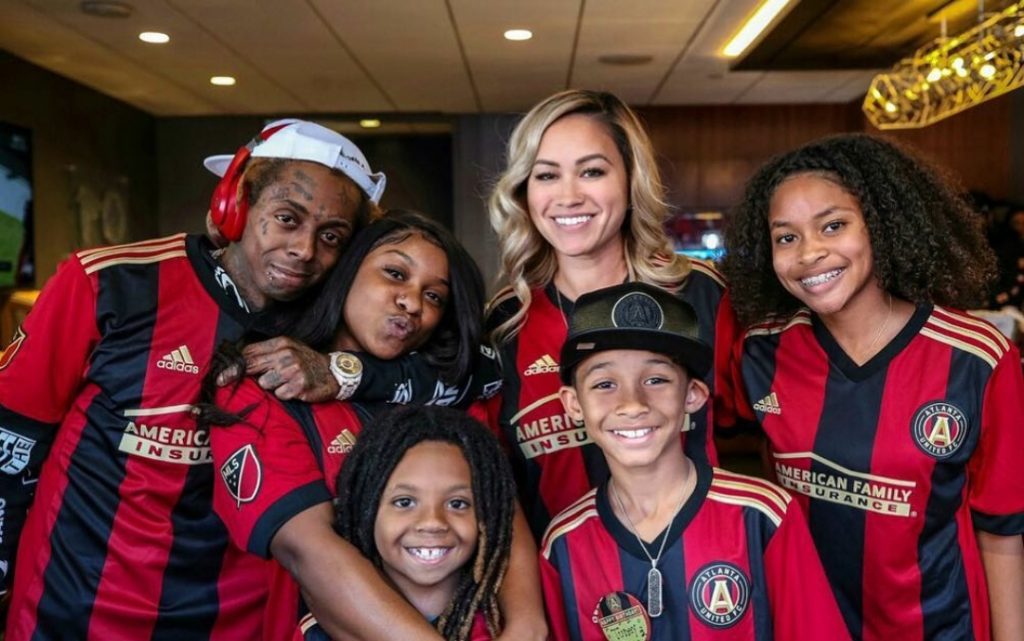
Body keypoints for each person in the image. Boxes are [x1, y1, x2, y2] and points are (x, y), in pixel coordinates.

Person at [0, 118, 384, 639]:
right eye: (287, 218)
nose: (304, 249)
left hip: (238, 625)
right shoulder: (107, 283)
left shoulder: (338, 332)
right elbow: (10, 440)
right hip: (73, 613)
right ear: (237, 205)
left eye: (331, 236)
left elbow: (456, 372)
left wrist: (343, 370)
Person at [720, 133, 1024, 641]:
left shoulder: (976, 357)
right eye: (786, 237)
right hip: (807, 626)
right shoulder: (761, 353)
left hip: (940, 629)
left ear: (881, 226)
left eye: (833, 226)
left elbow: (1002, 527)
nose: (810, 253)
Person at [203, 211, 544, 641]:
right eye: (395, 273)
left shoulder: (450, 394)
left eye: (435, 296)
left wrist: (527, 623)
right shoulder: (263, 387)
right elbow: (310, 552)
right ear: (347, 271)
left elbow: (498, 509)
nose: (412, 302)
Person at [485, 89, 738, 539]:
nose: (568, 196)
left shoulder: (698, 294)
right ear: (524, 192)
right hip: (560, 588)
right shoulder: (504, 321)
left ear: (630, 179)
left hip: (706, 577)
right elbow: (496, 485)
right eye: (546, 175)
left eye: (592, 171)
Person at [540, 282, 849, 640]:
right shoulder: (562, 544)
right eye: (604, 384)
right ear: (573, 404)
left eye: (656, 379)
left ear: (693, 395)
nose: (633, 404)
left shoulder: (763, 517)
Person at [295, 404, 517, 641]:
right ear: (366, 510)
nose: (432, 522)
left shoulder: (508, 626)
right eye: (404, 502)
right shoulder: (320, 631)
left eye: (457, 504)